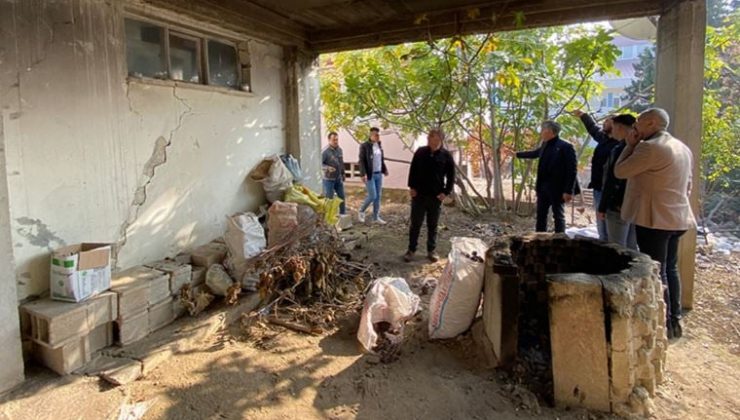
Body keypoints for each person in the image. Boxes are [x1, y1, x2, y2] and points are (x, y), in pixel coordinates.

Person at [614, 108, 696, 339]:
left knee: (656, 270)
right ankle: (675, 318)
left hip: (655, 218)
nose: (635, 126)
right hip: (677, 216)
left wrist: (629, 145)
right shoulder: (683, 148)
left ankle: (663, 320)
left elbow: (620, 171)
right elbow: (688, 185)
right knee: (670, 268)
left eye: (639, 121)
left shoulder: (649, 147)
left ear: (651, 123)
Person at [515, 121, 577, 233]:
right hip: (543, 187)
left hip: (558, 188)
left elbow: (572, 170)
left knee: (558, 216)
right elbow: (535, 153)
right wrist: (517, 154)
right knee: (541, 215)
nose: (541, 133)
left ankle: (560, 239)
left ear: (550, 131)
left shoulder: (566, 147)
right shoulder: (545, 144)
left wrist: (568, 191)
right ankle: (539, 238)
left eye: (543, 130)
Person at [404, 128, 455, 263]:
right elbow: (413, 170)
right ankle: (411, 250)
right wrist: (412, 187)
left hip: (435, 197)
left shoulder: (446, 156)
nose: (434, 142)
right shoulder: (420, 152)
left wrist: (445, 192)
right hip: (419, 195)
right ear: (428, 139)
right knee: (415, 224)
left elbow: (451, 176)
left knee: (433, 225)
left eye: (437, 139)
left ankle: (431, 250)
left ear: (441, 140)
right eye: (431, 139)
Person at [571, 110, 619, 241]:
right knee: (600, 221)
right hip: (598, 187)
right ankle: (603, 242)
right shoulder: (604, 139)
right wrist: (583, 116)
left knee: (609, 221)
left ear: (615, 125)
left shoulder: (620, 143)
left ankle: (610, 244)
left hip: (610, 189)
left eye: (607, 121)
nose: (604, 123)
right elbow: (593, 129)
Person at [597, 114, 637, 250]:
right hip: (634, 205)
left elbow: (612, 179)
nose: (612, 131)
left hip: (617, 204)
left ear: (619, 127)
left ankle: (619, 271)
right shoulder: (639, 147)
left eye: (613, 127)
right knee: (631, 247)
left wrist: (603, 206)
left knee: (616, 247)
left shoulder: (622, 149)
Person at [357, 127, 388, 224]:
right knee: (372, 195)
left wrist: (385, 169)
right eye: (376, 135)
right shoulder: (364, 146)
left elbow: (381, 160)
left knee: (378, 196)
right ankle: (361, 210)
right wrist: (363, 174)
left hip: (378, 174)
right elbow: (361, 161)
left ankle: (376, 217)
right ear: (371, 136)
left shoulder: (379, 146)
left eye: (379, 135)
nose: (378, 136)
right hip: (369, 175)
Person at [321, 131, 346, 215]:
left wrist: (343, 173)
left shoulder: (340, 150)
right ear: (329, 140)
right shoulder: (325, 152)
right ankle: (328, 217)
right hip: (328, 180)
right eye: (334, 140)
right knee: (329, 199)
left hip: (338, 178)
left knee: (342, 197)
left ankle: (343, 216)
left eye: (337, 139)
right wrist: (327, 168)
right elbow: (319, 164)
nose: (336, 141)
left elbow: (341, 163)